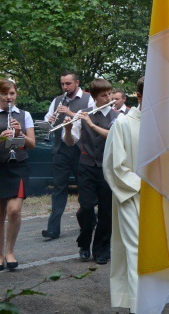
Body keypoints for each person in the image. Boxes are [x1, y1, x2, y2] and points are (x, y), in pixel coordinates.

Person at [62, 78, 119, 264]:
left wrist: (92, 124)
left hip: (107, 167)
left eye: (110, 93)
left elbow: (114, 138)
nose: (109, 97)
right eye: (104, 95)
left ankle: (102, 248)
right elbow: (71, 141)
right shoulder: (83, 113)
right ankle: (84, 243)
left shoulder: (117, 116)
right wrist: (69, 129)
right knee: (86, 208)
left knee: (106, 211)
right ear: (95, 97)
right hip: (86, 166)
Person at [102, 76, 144, 312]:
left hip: (160, 197)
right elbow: (114, 166)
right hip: (132, 196)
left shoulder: (164, 124)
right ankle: (139, 307)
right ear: (138, 96)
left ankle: (153, 301)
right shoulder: (123, 124)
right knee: (136, 250)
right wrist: (143, 185)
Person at [0, 79, 36, 271]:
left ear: (16, 94)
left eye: (12, 94)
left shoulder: (24, 115)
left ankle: (10, 252)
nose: (9, 98)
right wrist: (0, 139)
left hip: (18, 166)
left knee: (14, 210)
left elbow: (32, 144)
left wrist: (19, 133)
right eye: (5, 94)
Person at [42, 71, 93, 240]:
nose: (65, 87)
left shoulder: (88, 98)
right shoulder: (57, 100)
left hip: (81, 150)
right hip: (61, 149)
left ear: (77, 82)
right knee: (59, 189)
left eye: (68, 84)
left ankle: (89, 223)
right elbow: (48, 120)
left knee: (85, 189)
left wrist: (70, 114)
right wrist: (50, 121)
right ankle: (53, 229)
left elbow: (91, 121)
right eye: (63, 84)